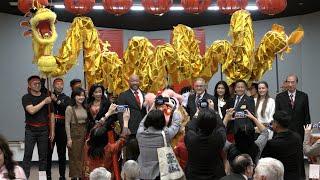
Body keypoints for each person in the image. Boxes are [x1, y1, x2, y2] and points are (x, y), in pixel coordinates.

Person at [82, 108, 131, 180]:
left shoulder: (87, 144)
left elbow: (94, 129)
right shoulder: (110, 148)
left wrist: (108, 114)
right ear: (105, 139)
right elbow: (123, 138)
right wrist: (126, 121)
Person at [21, 75, 55, 178]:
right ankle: (24, 177)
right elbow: (31, 111)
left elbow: (52, 115)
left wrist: (52, 131)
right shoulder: (26, 97)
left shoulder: (46, 96)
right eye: (34, 83)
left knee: (43, 158)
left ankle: (42, 178)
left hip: (44, 130)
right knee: (27, 156)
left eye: (39, 83)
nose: (37, 85)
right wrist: (45, 102)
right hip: (30, 130)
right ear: (29, 85)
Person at [136, 109, 181, 180]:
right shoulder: (166, 134)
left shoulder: (140, 134)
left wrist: (151, 109)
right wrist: (174, 109)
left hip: (143, 174)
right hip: (161, 174)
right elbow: (176, 124)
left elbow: (141, 123)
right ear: (162, 121)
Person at [185, 108, 226, 180]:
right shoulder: (219, 138)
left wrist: (197, 114)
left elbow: (190, 127)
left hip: (193, 176)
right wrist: (215, 112)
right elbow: (221, 127)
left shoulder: (190, 139)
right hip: (215, 175)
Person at [261, 111, 304, 180]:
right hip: (296, 176)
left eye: (273, 121)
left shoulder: (272, 144)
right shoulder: (297, 137)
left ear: (276, 124)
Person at [117, 74, 147, 161]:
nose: (135, 83)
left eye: (136, 81)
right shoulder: (123, 95)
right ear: (129, 82)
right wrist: (124, 127)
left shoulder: (145, 95)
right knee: (131, 156)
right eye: (133, 81)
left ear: (139, 82)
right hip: (131, 130)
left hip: (144, 130)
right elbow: (120, 112)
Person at [46, 78, 71, 180]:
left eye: (61, 84)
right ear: (53, 85)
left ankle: (62, 175)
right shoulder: (47, 95)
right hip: (49, 127)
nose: (59, 86)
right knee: (48, 152)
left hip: (61, 127)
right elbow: (42, 86)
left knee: (62, 153)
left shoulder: (67, 98)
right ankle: (48, 175)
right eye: (57, 84)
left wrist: (56, 100)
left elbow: (66, 108)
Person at [275, 74, 310, 141]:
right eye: (288, 82)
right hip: (284, 131)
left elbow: (307, 115)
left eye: (292, 82)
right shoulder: (279, 97)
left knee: (299, 150)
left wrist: (308, 131)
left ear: (296, 83)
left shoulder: (303, 96)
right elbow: (277, 115)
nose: (290, 84)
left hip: (299, 131)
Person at [65, 87, 88, 180]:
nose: (81, 97)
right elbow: (67, 124)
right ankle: (75, 177)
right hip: (74, 134)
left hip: (84, 133)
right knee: (75, 157)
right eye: (79, 95)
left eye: (83, 95)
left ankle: (82, 176)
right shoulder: (70, 108)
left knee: (83, 157)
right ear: (74, 96)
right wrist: (69, 139)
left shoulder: (85, 106)